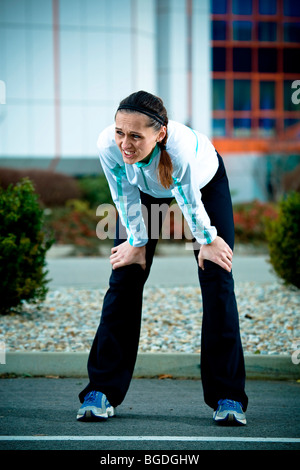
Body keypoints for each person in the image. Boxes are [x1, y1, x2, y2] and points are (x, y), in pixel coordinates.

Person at [77, 91, 248, 425]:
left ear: (160, 134)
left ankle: (228, 395)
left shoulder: (180, 150)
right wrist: (137, 242)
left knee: (217, 277)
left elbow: (187, 200)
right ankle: (101, 389)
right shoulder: (107, 146)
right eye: (120, 132)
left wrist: (208, 240)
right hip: (144, 194)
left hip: (203, 186)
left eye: (136, 136)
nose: (125, 142)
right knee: (125, 273)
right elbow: (121, 192)